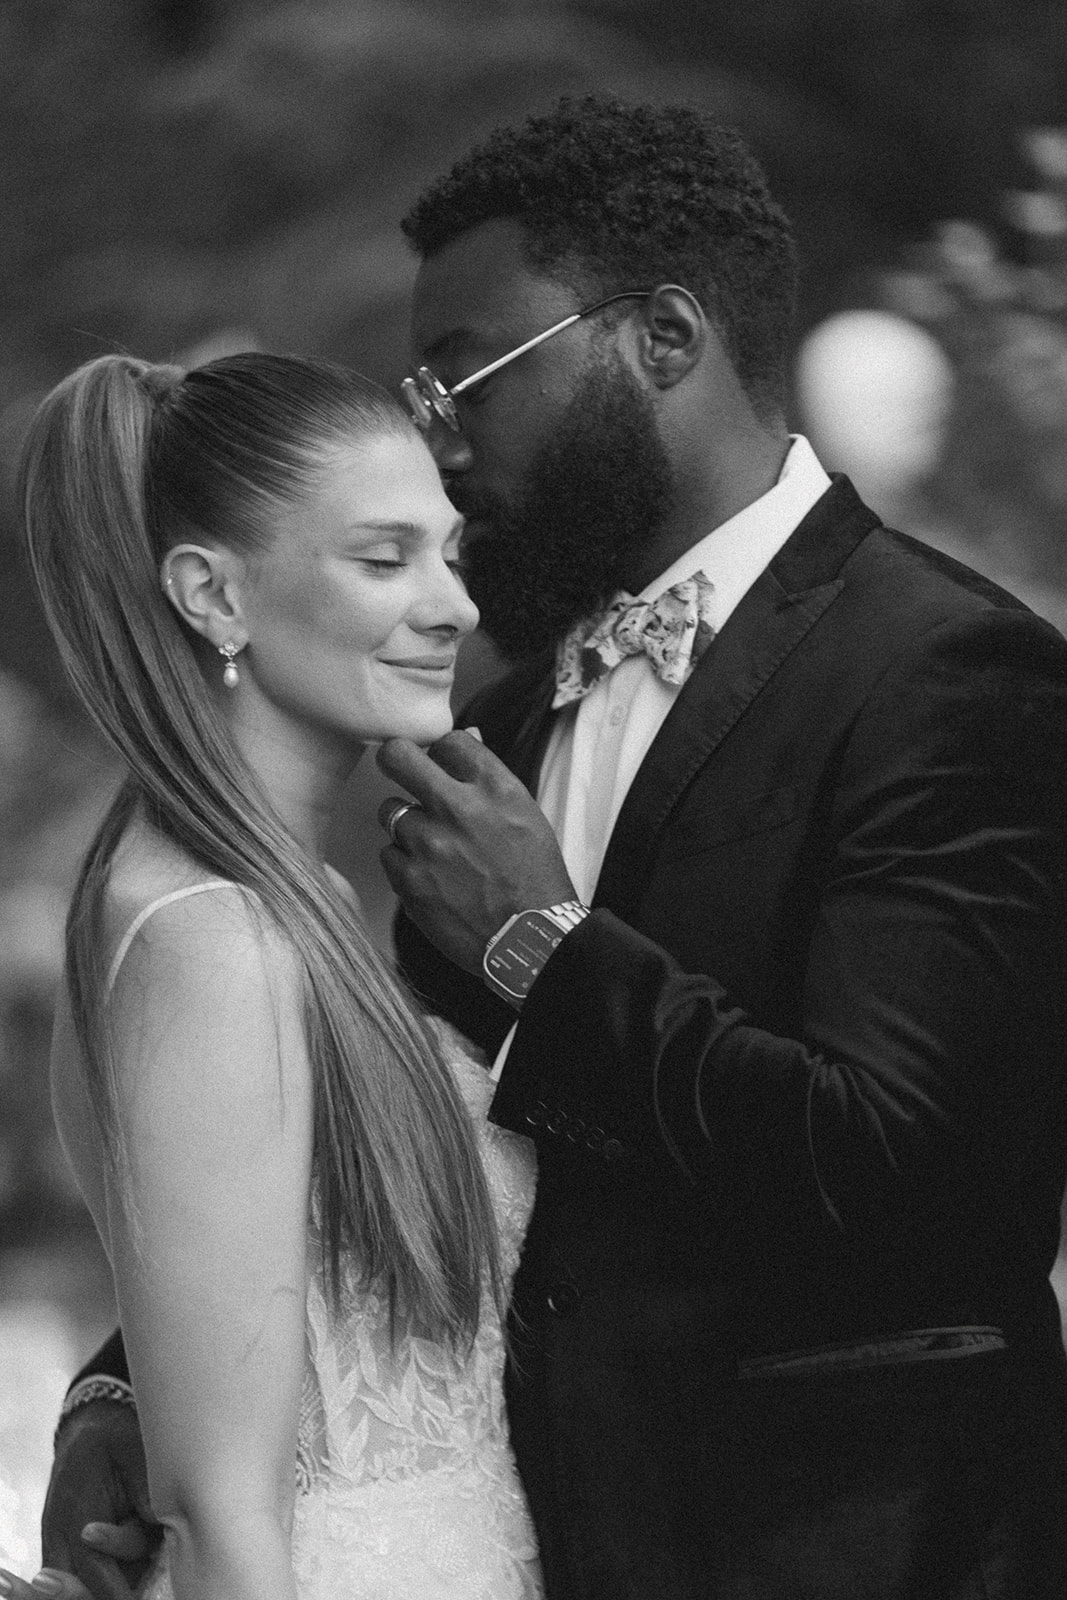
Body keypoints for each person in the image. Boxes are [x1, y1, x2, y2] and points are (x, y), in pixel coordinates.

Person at [26, 94, 1067, 1600]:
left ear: (658, 340)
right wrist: (121, 1398)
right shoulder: (494, 735)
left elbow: (922, 1188)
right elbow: (345, 1189)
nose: (441, 442)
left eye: (466, 379)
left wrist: (544, 953)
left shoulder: (948, 677)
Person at [0, 353, 541, 1600]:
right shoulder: (211, 938)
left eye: (447, 553)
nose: (451, 603)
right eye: (382, 557)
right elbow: (213, 1506)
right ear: (211, 594)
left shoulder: (282, 906)